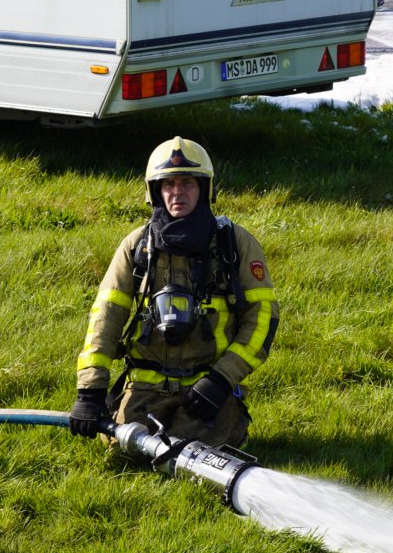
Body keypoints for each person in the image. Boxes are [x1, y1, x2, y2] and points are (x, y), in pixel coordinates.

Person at [69, 137, 278, 449]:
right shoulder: (137, 246)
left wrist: (220, 381)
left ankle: (227, 421)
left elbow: (263, 318)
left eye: (187, 183)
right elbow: (106, 317)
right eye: (168, 184)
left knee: (194, 454)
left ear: (204, 188)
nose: (177, 192)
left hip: (205, 387)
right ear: (155, 190)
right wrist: (90, 390)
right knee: (124, 449)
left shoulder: (233, 245)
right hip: (146, 383)